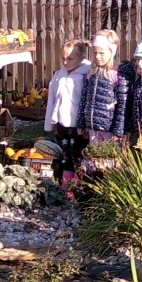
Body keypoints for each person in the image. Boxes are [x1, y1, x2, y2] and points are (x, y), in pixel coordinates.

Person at [44, 38, 91, 185]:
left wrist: (87, 125)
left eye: (70, 59)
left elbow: (88, 102)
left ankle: (78, 186)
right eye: (63, 58)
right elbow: (52, 99)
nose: (65, 62)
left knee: (78, 155)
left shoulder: (86, 75)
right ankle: (65, 186)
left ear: (81, 58)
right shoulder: (59, 75)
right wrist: (49, 123)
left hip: (78, 126)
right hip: (62, 124)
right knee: (64, 155)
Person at [77, 30, 121, 144]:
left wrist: (118, 130)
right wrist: (81, 123)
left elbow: (122, 105)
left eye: (101, 53)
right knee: (94, 153)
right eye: (95, 52)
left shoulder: (116, 74)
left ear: (112, 52)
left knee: (110, 154)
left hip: (109, 128)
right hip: (93, 126)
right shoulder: (92, 72)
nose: (97, 56)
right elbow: (84, 99)